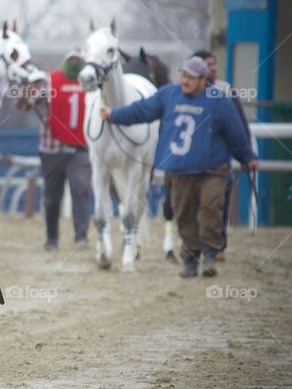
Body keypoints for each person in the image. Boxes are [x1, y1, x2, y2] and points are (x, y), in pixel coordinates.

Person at [101, 56, 258, 278]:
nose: (185, 81)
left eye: (191, 77)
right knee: (184, 215)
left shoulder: (219, 100)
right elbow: (142, 110)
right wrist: (114, 115)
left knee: (210, 209)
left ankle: (210, 253)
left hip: (212, 168)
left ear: (204, 79)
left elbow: (235, 133)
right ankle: (191, 259)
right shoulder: (169, 94)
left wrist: (247, 157)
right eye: (183, 75)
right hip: (179, 168)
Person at [192, 49, 253, 257]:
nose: (213, 68)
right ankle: (198, 245)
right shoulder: (187, 91)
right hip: (192, 160)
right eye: (208, 65)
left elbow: (240, 125)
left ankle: (217, 245)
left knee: (219, 203)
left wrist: (247, 154)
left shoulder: (225, 90)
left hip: (220, 158)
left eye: (214, 64)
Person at [35, 50, 92, 251]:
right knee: (52, 196)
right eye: (72, 59)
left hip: (80, 147)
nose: (76, 63)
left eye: (80, 59)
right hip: (52, 148)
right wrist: (30, 92)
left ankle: (82, 237)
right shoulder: (50, 81)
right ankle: (52, 238)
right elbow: (30, 100)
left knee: (81, 189)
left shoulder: (89, 81)